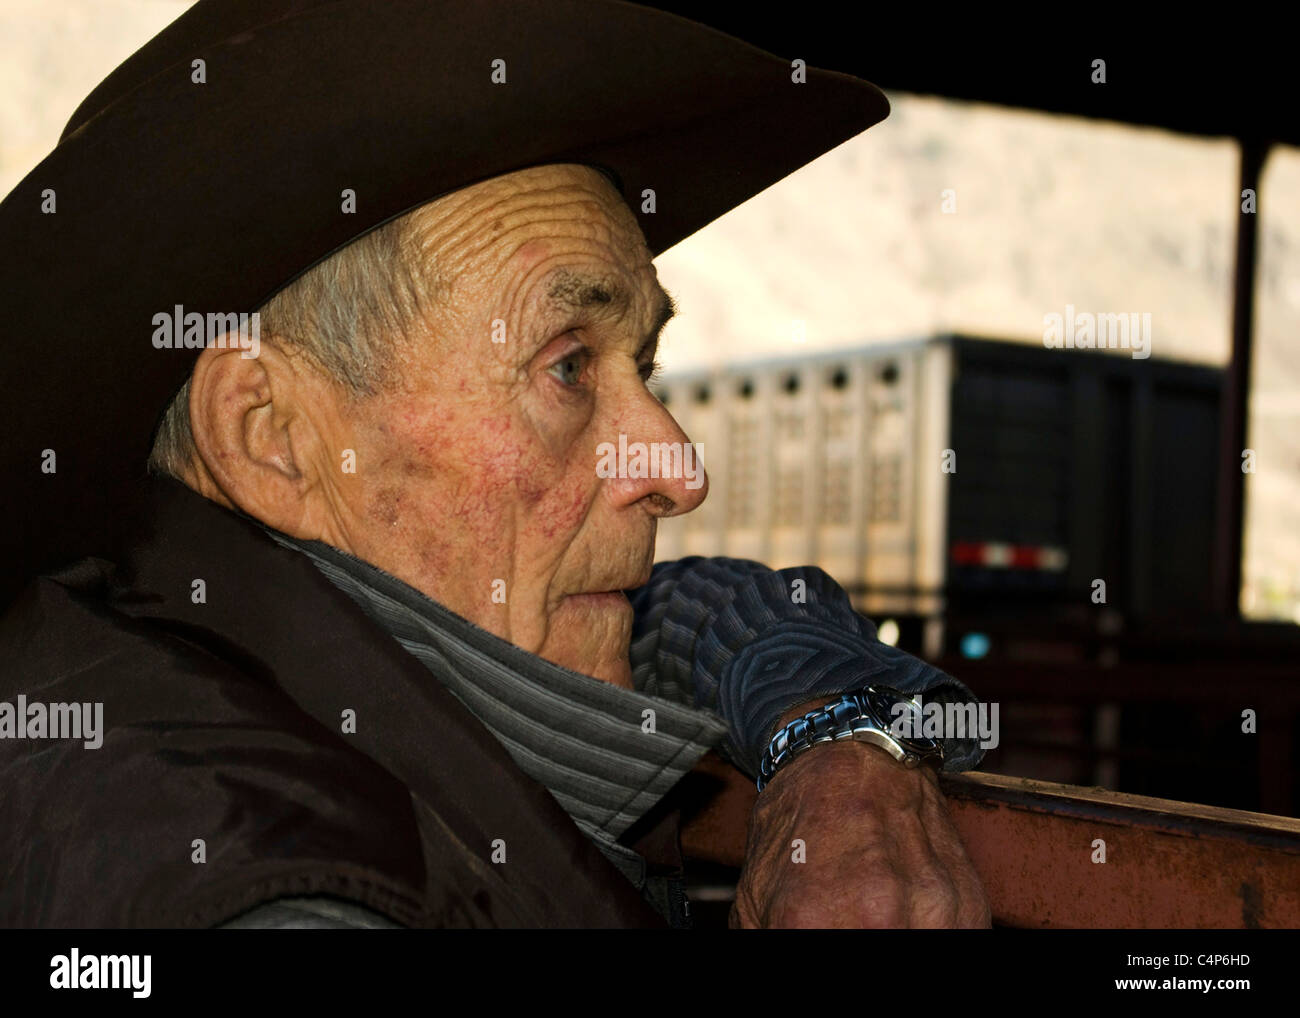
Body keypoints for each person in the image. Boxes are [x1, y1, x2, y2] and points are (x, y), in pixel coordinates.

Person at [0, 0, 989, 928]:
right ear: (273, 438)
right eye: (566, 366)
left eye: (643, 365)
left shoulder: (170, 634)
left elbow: (682, 613)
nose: (679, 469)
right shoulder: (295, 905)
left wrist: (828, 738)